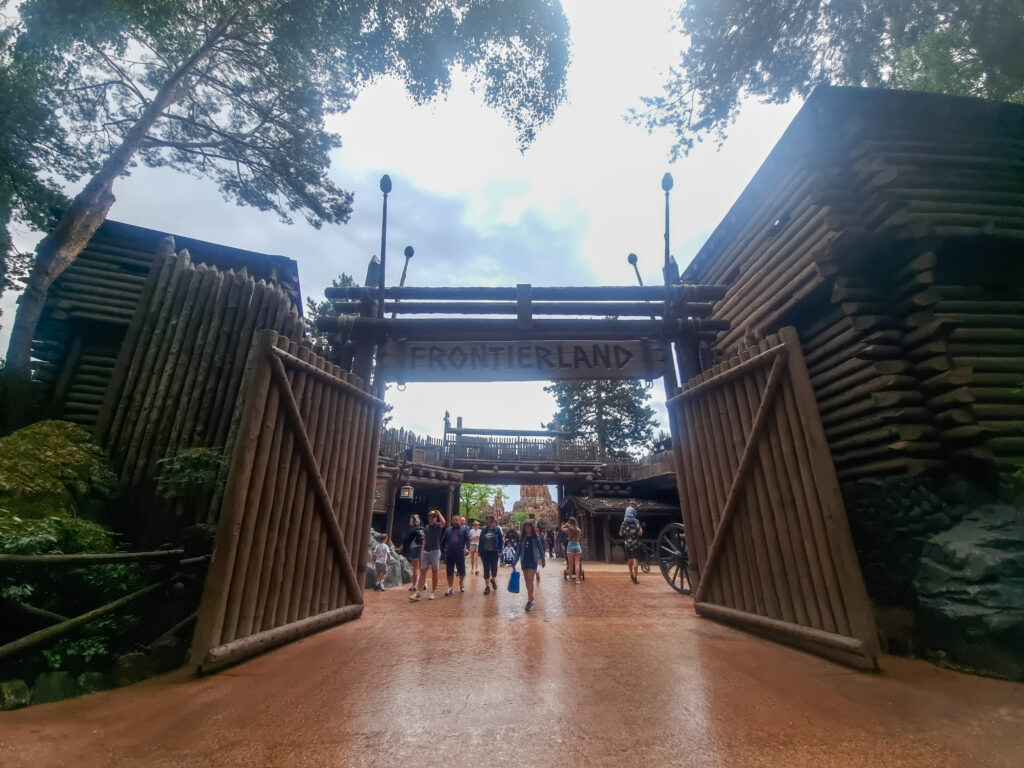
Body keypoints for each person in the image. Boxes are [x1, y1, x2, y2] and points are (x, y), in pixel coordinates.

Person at [410, 509, 445, 601]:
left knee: (434, 572)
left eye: (433, 517)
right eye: (430, 517)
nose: (431, 519)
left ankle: (433, 591)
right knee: (423, 572)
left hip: (435, 551)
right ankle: (418, 593)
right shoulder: (427, 527)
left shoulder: (438, 526)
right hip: (426, 552)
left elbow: (443, 522)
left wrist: (439, 513)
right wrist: (422, 550)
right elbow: (425, 539)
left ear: (436, 518)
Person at [513, 520, 546, 611]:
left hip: (533, 560)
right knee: (527, 580)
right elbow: (519, 549)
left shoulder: (536, 537)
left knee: (530, 578)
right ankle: (531, 596)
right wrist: (515, 561)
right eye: (526, 527)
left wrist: (543, 560)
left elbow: (541, 549)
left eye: (529, 527)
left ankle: (529, 601)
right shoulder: (522, 537)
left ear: (532, 527)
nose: (527, 529)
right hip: (524, 560)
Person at [442, 514, 470, 596]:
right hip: (450, 554)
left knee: (462, 572)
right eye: (453, 520)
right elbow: (443, 541)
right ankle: (450, 588)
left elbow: (467, 540)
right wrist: (443, 550)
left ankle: (461, 583)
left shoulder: (464, 530)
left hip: (460, 553)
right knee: (449, 572)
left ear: (459, 521)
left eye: (456, 520)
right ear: (452, 521)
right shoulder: (448, 530)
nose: (455, 521)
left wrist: (468, 548)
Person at [619, 502, 644, 584]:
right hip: (635, 543)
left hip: (627, 544)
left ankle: (631, 574)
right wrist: (640, 528)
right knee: (635, 560)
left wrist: (626, 531)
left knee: (629, 560)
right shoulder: (636, 522)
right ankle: (636, 577)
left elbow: (620, 534)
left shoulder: (624, 523)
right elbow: (640, 533)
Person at [398, 514, 424, 592]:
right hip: (422, 548)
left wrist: (401, 548)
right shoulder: (422, 528)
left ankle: (413, 585)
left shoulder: (411, 530)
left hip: (414, 549)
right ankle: (424, 583)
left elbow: (406, 540)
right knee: (422, 568)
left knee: (415, 568)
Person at [478, 514, 503, 594]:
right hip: (485, 552)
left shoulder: (497, 530)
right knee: (486, 568)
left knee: (494, 568)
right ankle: (487, 587)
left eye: (488, 519)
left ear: (492, 520)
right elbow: (480, 541)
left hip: (494, 552)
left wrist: (500, 550)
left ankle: (493, 580)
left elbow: (501, 541)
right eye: (486, 519)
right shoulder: (484, 529)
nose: (486, 521)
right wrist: (479, 551)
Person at [561, 517, 583, 583]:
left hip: (570, 545)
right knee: (577, 563)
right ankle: (577, 579)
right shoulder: (579, 530)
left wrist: (566, 525)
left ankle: (570, 577)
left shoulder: (569, 529)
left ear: (569, 522)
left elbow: (561, 528)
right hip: (577, 545)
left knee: (570, 564)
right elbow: (579, 538)